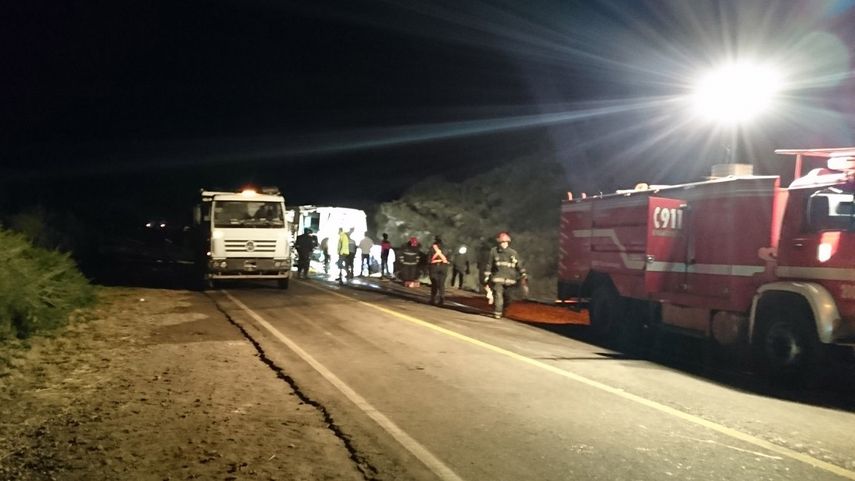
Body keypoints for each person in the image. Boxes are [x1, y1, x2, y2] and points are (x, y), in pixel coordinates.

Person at [483, 231, 527, 319]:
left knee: (508, 298)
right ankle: (497, 313)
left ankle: (503, 310)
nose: (503, 244)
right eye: (502, 242)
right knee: (498, 295)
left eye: (505, 242)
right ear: (499, 243)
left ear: (508, 243)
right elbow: (489, 264)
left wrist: (523, 273)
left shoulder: (513, 253)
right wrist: (487, 276)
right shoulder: (494, 251)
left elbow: (519, 264)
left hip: (510, 280)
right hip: (498, 278)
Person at [427, 235, 450, 305]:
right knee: (441, 284)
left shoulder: (432, 248)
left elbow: (429, 258)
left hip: (434, 267)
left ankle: (433, 299)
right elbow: (449, 258)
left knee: (434, 284)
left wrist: (429, 266)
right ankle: (441, 299)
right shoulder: (446, 248)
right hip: (444, 267)